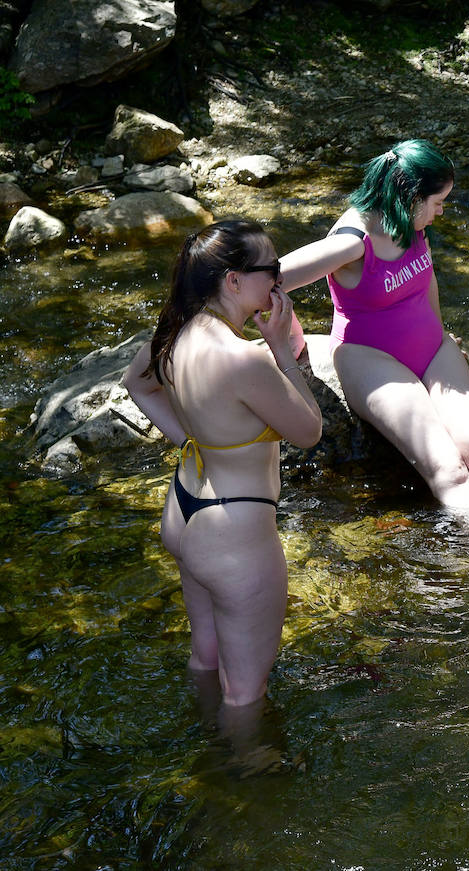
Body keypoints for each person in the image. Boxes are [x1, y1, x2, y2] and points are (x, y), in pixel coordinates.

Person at [278, 139, 469, 546]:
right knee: (448, 468)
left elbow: (426, 279)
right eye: (437, 201)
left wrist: (442, 330)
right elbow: (265, 282)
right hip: (370, 359)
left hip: (431, 348)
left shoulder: (412, 222)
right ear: (411, 197)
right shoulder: (349, 243)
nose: (441, 210)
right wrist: (289, 340)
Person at [123, 220, 322, 731]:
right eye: (271, 272)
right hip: (235, 535)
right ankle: (241, 795)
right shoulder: (244, 359)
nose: (278, 283)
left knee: (205, 659)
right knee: (246, 697)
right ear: (233, 281)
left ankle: (200, 747)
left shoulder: (176, 331)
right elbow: (309, 431)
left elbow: (136, 384)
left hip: (186, 512)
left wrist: (193, 437)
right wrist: (281, 348)